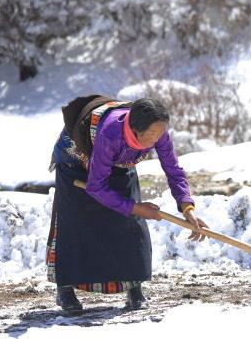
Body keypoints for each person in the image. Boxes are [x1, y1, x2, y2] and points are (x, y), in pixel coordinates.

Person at [45, 96, 208, 312]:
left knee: (130, 224)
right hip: (74, 161)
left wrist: (187, 207)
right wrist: (135, 207)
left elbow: (173, 170)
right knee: (74, 223)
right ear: (135, 129)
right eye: (152, 134)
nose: (158, 138)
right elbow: (96, 187)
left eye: (161, 132)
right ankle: (65, 289)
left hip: (118, 162)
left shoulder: (157, 131)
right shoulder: (111, 133)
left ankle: (134, 289)